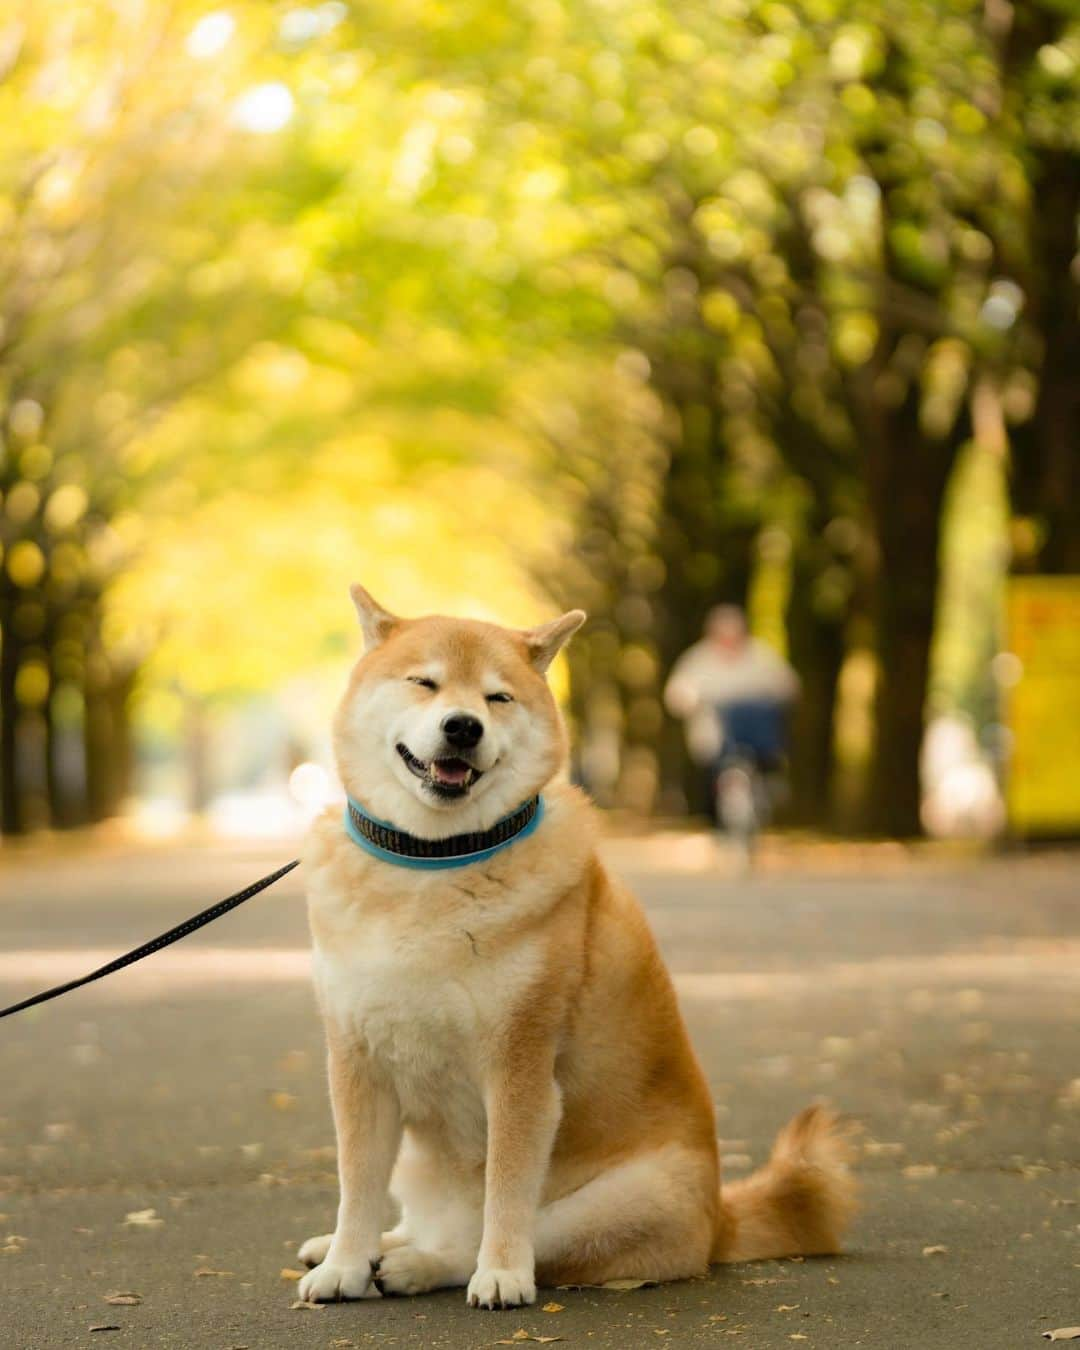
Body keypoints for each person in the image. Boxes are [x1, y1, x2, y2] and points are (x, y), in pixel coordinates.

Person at [663, 605, 799, 828]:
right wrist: (691, 700)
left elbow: (788, 685)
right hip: (715, 738)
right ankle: (717, 817)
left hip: (756, 737)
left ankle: (771, 779)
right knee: (714, 773)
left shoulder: (760, 655)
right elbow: (677, 694)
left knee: (765, 748)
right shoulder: (699, 659)